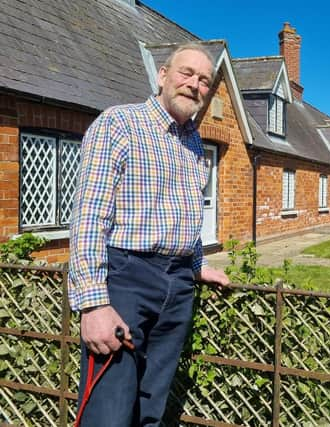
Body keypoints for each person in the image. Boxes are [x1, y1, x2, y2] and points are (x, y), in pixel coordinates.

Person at [68, 42, 230, 426]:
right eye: (186, 73)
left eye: (204, 80)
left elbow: (184, 214)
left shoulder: (194, 144)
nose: (194, 85)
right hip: (126, 279)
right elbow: (89, 215)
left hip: (177, 285)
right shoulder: (118, 123)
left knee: (150, 413)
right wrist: (92, 305)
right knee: (108, 411)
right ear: (162, 76)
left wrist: (197, 263)